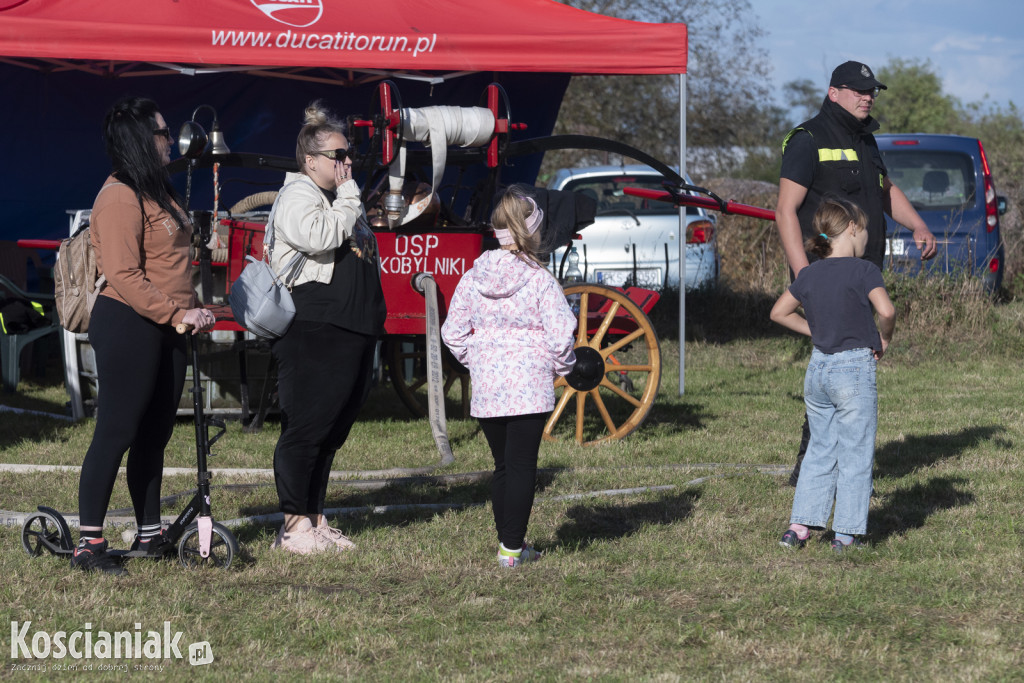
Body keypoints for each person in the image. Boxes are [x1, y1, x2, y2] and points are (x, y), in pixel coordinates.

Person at [73, 96, 217, 575]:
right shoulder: (117, 196)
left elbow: (173, 264)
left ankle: (149, 534)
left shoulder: (161, 190)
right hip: (129, 322)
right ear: (139, 139)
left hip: (169, 324)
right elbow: (124, 274)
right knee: (117, 431)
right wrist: (177, 312)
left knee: (154, 434)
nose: (169, 139)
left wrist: (194, 308)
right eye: (161, 132)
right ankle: (88, 544)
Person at [776, 60, 937, 485]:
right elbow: (785, 211)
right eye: (858, 90)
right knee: (834, 363)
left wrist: (917, 224)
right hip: (824, 276)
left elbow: (885, 191)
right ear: (834, 93)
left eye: (872, 91)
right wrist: (803, 277)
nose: (867, 96)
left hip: (863, 273)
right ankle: (814, 465)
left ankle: (823, 464)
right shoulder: (808, 139)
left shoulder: (865, 141)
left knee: (849, 365)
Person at [267, 101, 386, 555]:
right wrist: (351, 194)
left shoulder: (335, 196)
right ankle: (294, 528)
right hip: (316, 328)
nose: (345, 163)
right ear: (310, 160)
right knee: (308, 427)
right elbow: (319, 237)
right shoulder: (299, 196)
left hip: (349, 327)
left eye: (347, 155)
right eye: (337, 156)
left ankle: (315, 522)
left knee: (332, 429)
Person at [441, 186, 577, 568]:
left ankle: (508, 545)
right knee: (521, 467)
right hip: (529, 387)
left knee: (502, 466)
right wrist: (561, 368)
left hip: (488, 388)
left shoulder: (474, 276)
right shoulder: (541, 281)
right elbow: (561, 336)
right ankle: (512, 552)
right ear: (531, 232)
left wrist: (478, 359)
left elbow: (452, 333)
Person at [770, 197, 895, 553]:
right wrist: (883, 337)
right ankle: (845, 534)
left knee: (821, 448)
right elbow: (886, 309)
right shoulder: (864, 270)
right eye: (866, 228)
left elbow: (778, 312)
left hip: (818, 370)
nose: (868, 236)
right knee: (855, 452)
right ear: (852, 228)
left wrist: (816, 329)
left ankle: (798, 527)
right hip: (853, 370)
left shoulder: (808, 273)